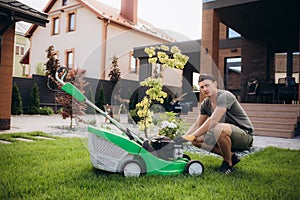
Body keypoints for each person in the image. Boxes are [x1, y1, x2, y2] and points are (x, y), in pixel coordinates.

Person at [183, 73, 254, 174]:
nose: (204, 89)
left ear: (215, 84)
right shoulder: (205, 104)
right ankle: (231, 156)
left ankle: (228, 164)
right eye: (202, 87)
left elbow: (214, 120)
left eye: (207, 85)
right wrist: (185, 137)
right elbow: (197, 124)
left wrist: (194, 134)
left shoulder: (224, 96)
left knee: (218, 128)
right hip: (222, 134)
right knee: (196, 140)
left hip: (244, 134)